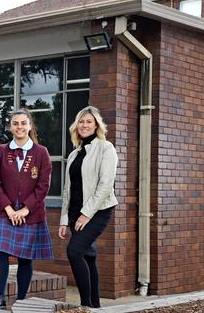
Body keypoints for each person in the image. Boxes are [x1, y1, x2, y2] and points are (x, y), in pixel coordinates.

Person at [0, 108, 53, 310]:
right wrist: (8, 209)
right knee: (0, 253)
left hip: (29, 214)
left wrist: (25, 210)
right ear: (10, 127)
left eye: (24, 123)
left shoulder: (41, 153)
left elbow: (43, 186)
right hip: (4, 212)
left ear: (30, 126)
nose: (20, 127)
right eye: (15, 123)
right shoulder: (1, 150)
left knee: (25, 257)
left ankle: (21, 300)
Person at [58, 106, 118, 308]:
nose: (84, 125)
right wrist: (65, 220)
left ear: (96, 125)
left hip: (98, 211)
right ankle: (95, 306)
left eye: (89, 121)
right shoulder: (75, 154)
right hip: (76, 212)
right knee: (87, 256)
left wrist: (86, 214)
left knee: (74, 252)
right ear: (76, 125)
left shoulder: (105, 148)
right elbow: (68, 190)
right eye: (81, 121)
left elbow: (105, 185)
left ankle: (85, 306)